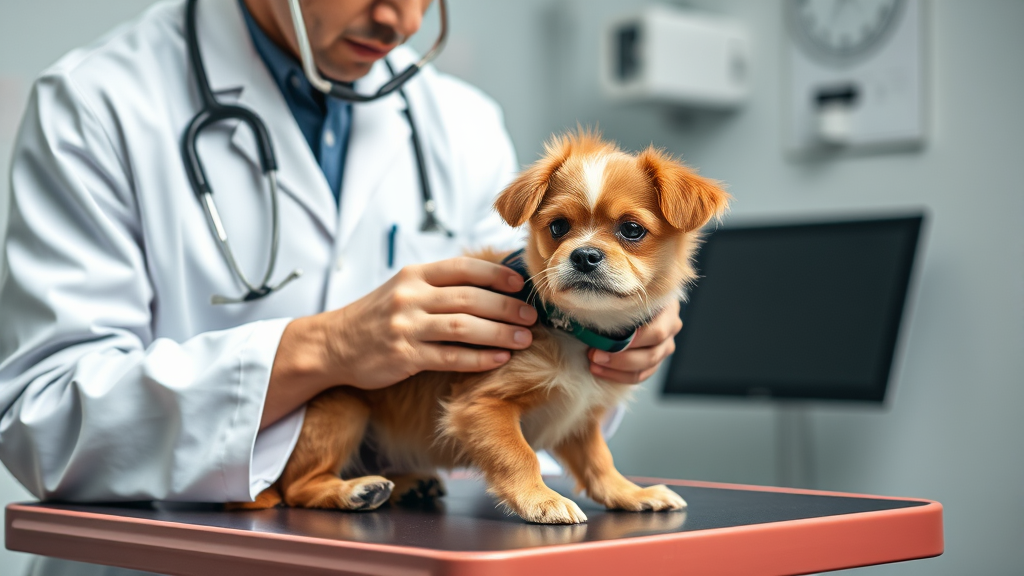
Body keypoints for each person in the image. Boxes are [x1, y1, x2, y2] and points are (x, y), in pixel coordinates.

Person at [0, 0, 682, 505]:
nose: (402, 20)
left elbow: (524, 375)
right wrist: (326, 348)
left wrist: (613, 338)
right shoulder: (98, 102)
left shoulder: (460, 122)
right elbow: (44, 422)